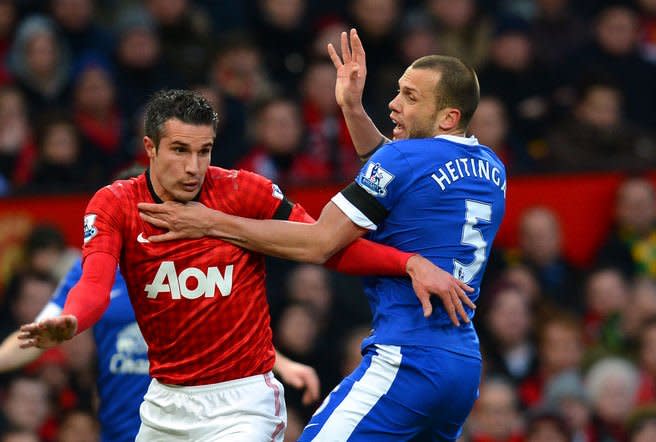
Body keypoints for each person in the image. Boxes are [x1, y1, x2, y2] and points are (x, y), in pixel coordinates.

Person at [18, 89, 470, 441]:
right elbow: (94, 282)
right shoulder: (115, 203)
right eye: (179, 150)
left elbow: (326, 245)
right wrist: (72, 320)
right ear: (149, 148)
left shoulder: (245, 192)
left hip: (244, 401)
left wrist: (407, 262)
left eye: (204, 150)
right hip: (164, 402)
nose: (194, 166)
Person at [135, 29, 505, 440]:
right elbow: (405, 167)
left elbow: (318, 242)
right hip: (463, 365)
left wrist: (210, 222)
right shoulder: (490, 167)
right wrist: (352, 107)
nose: (393, 104)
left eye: (410, 97)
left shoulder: (405, 159)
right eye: (399, 91)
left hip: (409, 359)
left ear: (448, 117)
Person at [0, 257, 321, 441]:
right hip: (120, 425)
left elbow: (224, 329)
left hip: (189, 422)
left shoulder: (185, 264)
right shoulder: (91, 268)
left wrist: (281, 363)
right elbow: (39, 335)